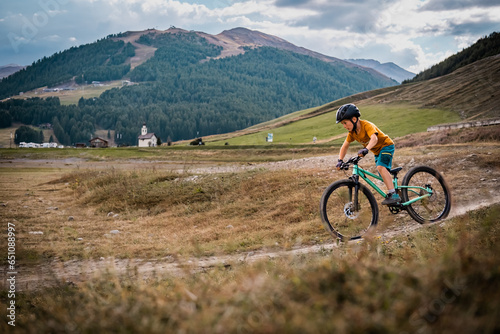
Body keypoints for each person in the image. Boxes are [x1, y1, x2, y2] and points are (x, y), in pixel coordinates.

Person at [335, 103, 400, 205]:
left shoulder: (366, 125)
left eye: (345, 123)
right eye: (342, 124)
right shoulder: (352, 133)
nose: (344, 126)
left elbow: (374, 138)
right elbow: (345, 146)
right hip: (377, 151)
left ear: (354, 119)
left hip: (386, 146)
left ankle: (394, 195)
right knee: (382, 174)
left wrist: (366, 149)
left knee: (380, 167)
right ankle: (397, 190)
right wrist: (340, 160)